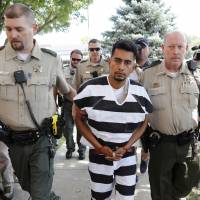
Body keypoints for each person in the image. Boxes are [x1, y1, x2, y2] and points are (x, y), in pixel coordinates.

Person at [1, 3, 76, 200]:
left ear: (34, 28)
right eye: (8, 28)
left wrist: (89, 103)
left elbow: (67, 91)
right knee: (29, 187)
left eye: (19, 29)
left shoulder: (51, 60)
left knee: (39, 195)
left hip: (42, 139)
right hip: (13, 142)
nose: (13, 34)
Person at [73, 39, 153, 200]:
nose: (121, 66)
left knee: (126, 197)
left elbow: (144, 122)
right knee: (100, 196)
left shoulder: (140, 92)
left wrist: (127, 146)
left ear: (133, 66)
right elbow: (77, 117)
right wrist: (99, 147)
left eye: (127, 62)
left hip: (128, 156)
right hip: (98, 155)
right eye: (117, 60)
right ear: (110, 60)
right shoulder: (90, 89)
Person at [142, 31, 200, 200]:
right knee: (160, 190)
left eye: (180, 47)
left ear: (186, 49)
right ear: (163, 48)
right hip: (161, 144)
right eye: (171, 47)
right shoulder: (147, 75)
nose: (175, 51)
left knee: (186, 185)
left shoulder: (195, 75)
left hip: (189, 144)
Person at [73, 38, 109, 160]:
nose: (94, 52)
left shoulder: (109, 65)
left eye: (97, 49)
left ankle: (103, 155)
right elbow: (76, 88)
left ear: (101, 49)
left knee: (103, 135)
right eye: (91, 49)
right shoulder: (81, 67)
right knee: (84, 133)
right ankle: (82, 151)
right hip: (86, 109)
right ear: (88, 50)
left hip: (104, 109)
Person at [130, 37, 151, 174]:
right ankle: (131, 169)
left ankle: (145, 157)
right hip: (131, 110)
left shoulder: (155, 67)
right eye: (138, 47)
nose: (140, 50)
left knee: (146, 142)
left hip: (148, 112)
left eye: (143, 47)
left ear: (148, 49)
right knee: (130, 142)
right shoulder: (129, 65)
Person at [62, 49, 83, 159]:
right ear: (70, 58)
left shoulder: (84, 70)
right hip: (68, 104)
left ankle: (81, 150)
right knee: (67, 129)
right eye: (73, 59)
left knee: (81, 129)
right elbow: (56, 85)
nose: (75, 61)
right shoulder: (63, 70)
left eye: (78, 60)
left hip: (81, 105)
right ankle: (70, 148)